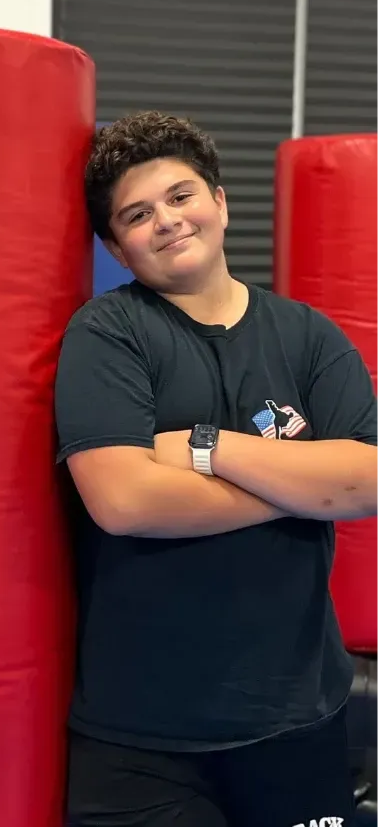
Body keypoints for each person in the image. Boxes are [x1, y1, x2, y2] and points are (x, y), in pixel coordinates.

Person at [55, 111, 378, 828]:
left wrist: (207, 446)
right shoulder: (108, 335)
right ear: (114, 244)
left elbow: (368, 481)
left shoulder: (308, 337)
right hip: (140, 740)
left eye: (180, 196)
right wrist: (301, 488)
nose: (166, 221)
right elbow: (125, 500)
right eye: (137, 215)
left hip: (299, 721)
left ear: (220, 201)